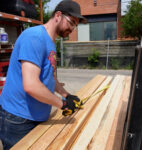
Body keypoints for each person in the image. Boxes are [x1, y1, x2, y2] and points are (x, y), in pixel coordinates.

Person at [0, 0, 87, 149]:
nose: (72, 29)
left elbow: (49, 76)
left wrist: (66, 95)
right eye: (71, 22)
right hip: (18, 119)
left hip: (35, 116)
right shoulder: (34, 37)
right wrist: (63, 104)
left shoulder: (50, 41)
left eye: (75, 25)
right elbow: (31, 85)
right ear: (58, 15)